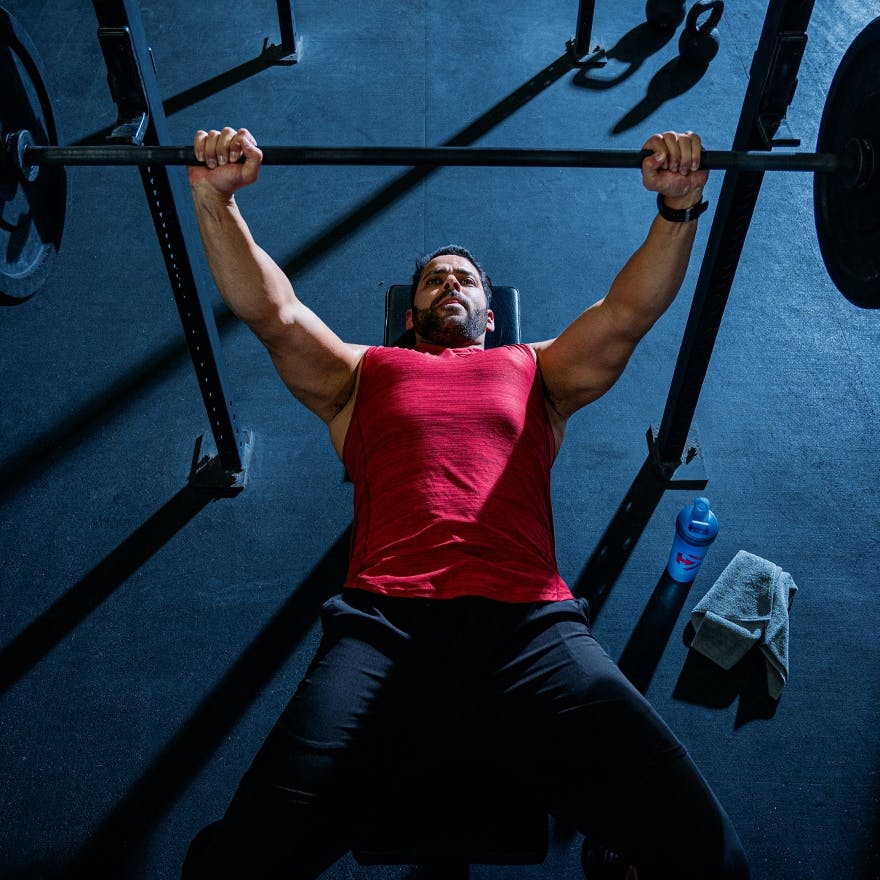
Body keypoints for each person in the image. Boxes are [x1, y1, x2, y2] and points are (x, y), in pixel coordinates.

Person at [182, 126, 749, 880]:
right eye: (434, 281)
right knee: (236, 868)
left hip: (529, 625)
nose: (450, 285)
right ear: (412, 316)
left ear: (490, 315)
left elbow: (625, 314)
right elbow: (275, 314)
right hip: (382, 625)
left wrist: (679, 206)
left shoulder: (536, 368)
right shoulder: (364, 374)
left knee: (712, 858)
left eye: (465, 281)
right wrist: (212, 197)